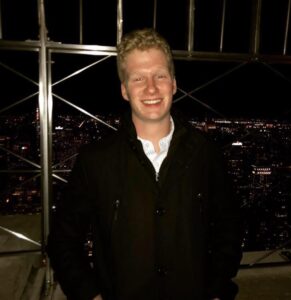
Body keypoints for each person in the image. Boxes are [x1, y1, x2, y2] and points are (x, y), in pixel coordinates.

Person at [46, 28, 242, 300]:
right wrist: (90, 295)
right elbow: (62, 240)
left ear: (173, 83)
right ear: (124, 90)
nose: (151, 88)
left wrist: (217, 290)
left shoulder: (206, 154)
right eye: (138, 78)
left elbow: (228, 228)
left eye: (160, 75)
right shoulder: (95, 160)